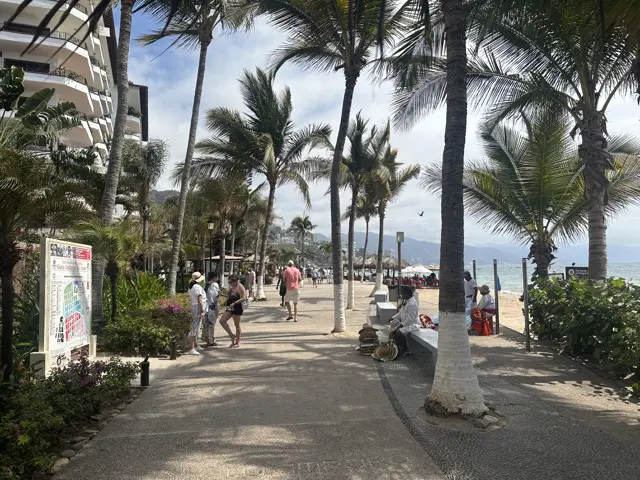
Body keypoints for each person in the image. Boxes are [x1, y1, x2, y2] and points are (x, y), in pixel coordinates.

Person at [388, 286, 421, 355]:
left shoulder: (412, 304)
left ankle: (406, 349)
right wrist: (392, 318)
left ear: (407, 294)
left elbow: (410, 319)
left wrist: (401, 325)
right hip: (405, 323)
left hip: (413, 324)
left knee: (398, 331)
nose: (401, 295)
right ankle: (397, 346)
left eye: (402, 293)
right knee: (391, 330)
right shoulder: (406, 301)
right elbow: (401, 312)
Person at [219, 275, 247, 348]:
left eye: (231, 281)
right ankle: (232, 335)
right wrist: (222, 295)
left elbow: (243, 298)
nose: (230, 283)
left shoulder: (240, 287)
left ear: (236, 281)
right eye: (229, 282)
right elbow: (229, 296)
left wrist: (234, 303)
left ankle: (237, 342)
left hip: (237, 306)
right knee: (222, 321)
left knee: (236, 324)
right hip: (230, 306)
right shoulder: (231, 287)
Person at [187, 272, 206, 355]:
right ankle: (192, 348)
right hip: (197, 307)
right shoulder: (197, 287)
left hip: (193, 306)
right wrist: (202, 310)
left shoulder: (191, 286)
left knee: (195, 326)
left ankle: (195, 345)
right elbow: (199, 300)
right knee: (195, 327)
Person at [204, 272, 220, 347]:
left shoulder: (206, 284)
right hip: (213, 306)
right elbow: (215, 296)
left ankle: (207, 338)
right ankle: (211, 340)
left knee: (207, 323)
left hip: (206, 306)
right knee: (212, 324)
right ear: (215, 277)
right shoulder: (215, 285)